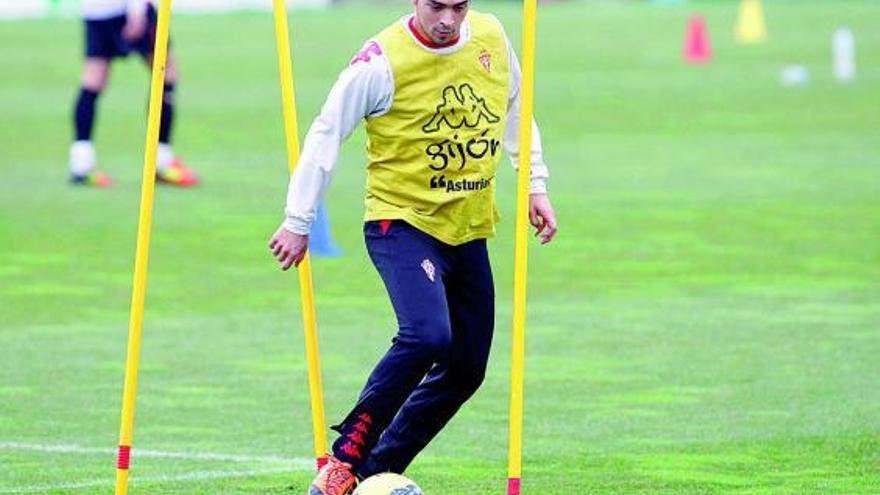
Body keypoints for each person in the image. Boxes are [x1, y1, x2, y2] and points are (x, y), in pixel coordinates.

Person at [268, 1, 557, 493]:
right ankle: (345, 460)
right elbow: (325, 131)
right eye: (436, 6)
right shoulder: (381, 60)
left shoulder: (491, 37)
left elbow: (515, 106)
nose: (447, 19)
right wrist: (298, 220)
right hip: (399, 223)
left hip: (468, 229)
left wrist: (534, 182)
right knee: (426, 336)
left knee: (467, 368)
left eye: (458, 6)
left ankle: (374, 471)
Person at [69, 0, 198, 187]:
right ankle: (162, 163)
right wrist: (137, 9)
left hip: (95, 12)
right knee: (166, 74)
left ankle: (80, 164)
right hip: (127, 9)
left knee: (92, 82)